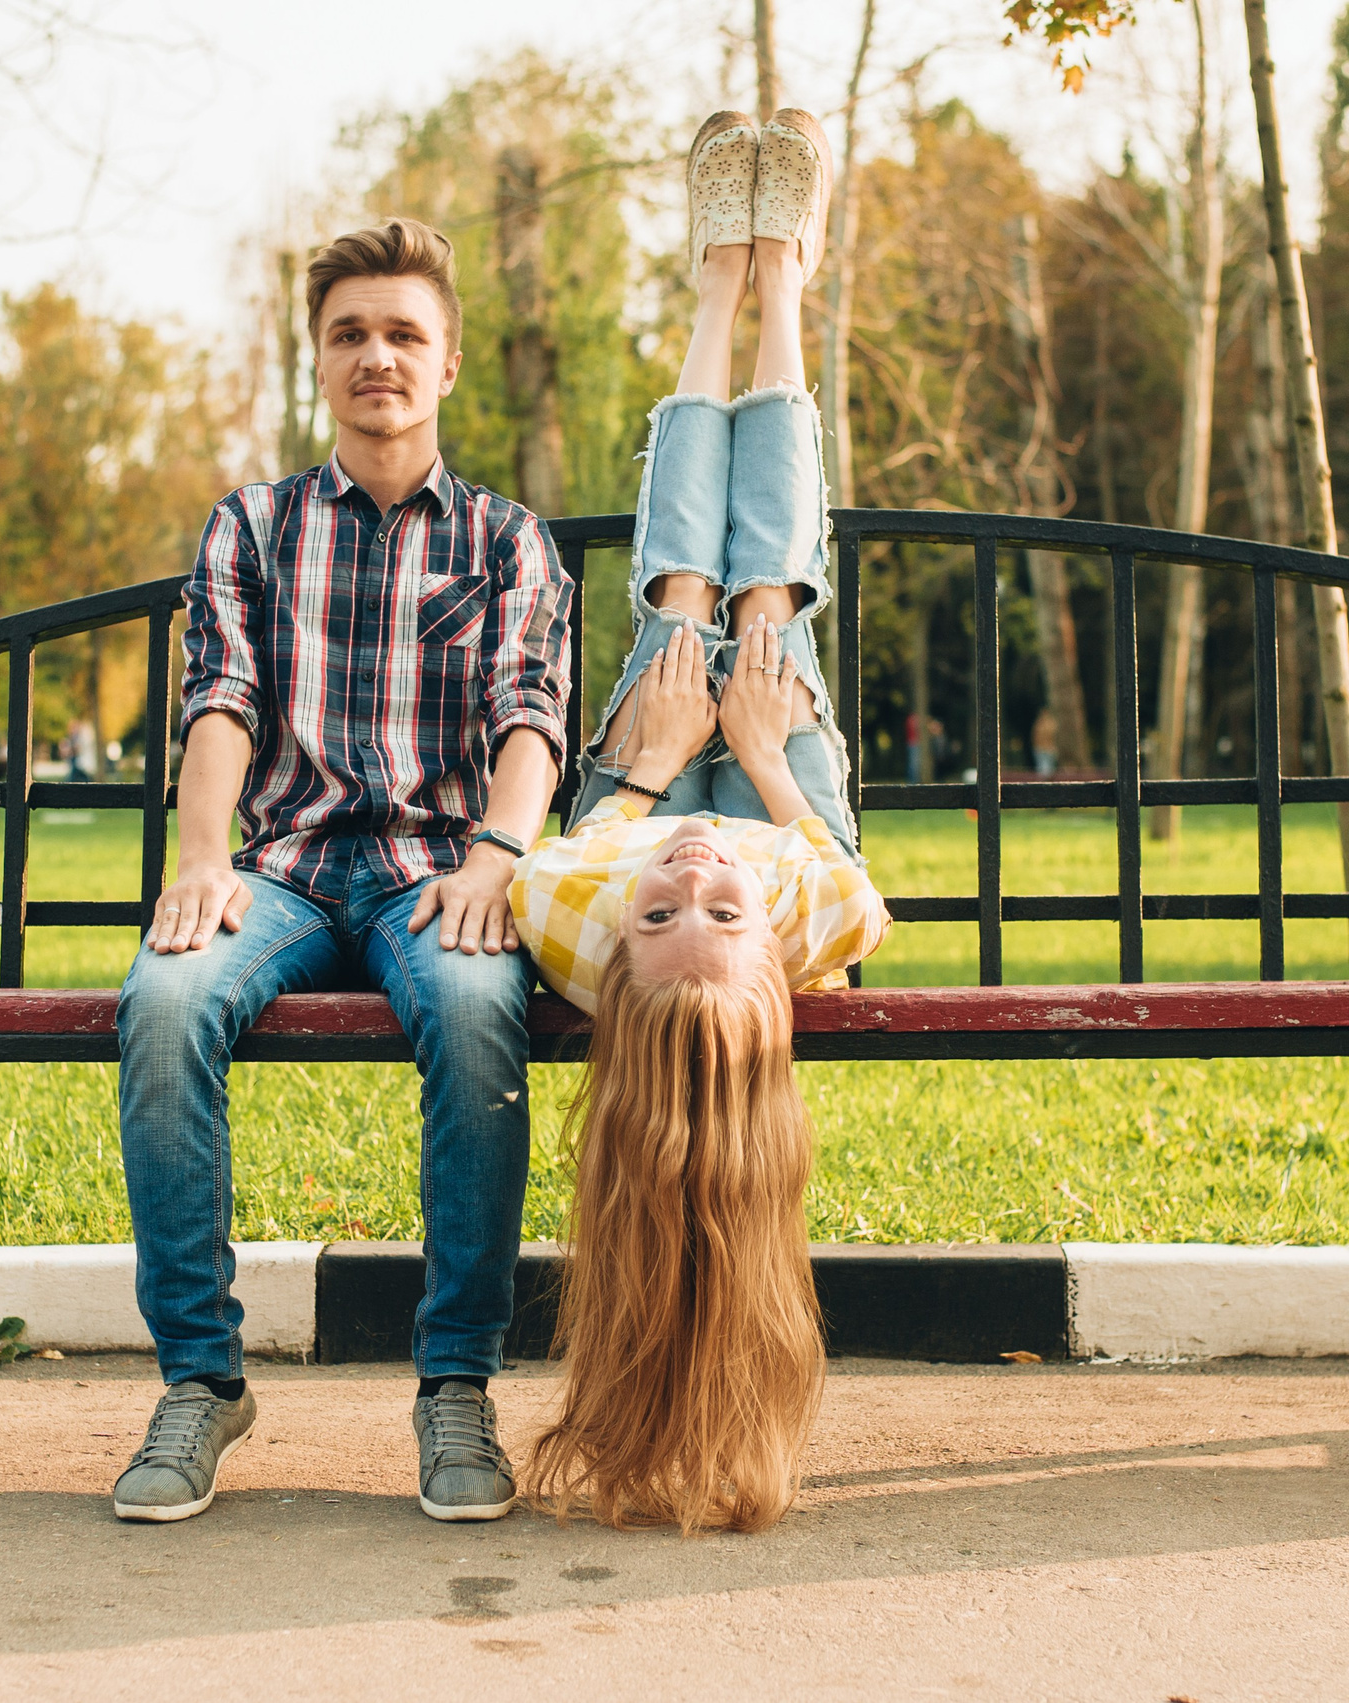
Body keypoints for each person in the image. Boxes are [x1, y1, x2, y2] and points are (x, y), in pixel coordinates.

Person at [109, 218, 573, 1526]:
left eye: (404, 335)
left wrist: (497, 858)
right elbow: (221, 706)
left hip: (441, 872)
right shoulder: (251, 528)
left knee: (483, 1013)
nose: (379, 356)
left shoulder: (506, 539)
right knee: (163, 1002)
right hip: (290, 868)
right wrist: (202, 862)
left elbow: (530, 723)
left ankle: (455, 1389)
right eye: (352, 334)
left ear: (449, 363)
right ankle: (201, 1383)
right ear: (319, 359)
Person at [506, 109, 891, 1535]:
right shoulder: (797, 912)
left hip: (642, 777)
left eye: (662, 915)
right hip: (797, 800)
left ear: (618, 954)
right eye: (715, 913)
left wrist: (662, 780)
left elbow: (592, 847)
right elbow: (846, 894)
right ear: (771, 960)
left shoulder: (583, 915)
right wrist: (770, 771)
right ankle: (781, 282)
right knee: (770, 596)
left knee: (681, 599)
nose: (696, 886)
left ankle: (718, 286)